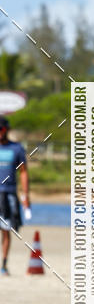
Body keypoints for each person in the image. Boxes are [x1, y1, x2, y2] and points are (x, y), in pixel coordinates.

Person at [0, 116, 29, 275]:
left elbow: (23, 172)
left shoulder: (16, 149)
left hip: (9, 194)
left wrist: (26, 196)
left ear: (6, 130)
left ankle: (4, 265)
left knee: (6, 230)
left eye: (1, 129)